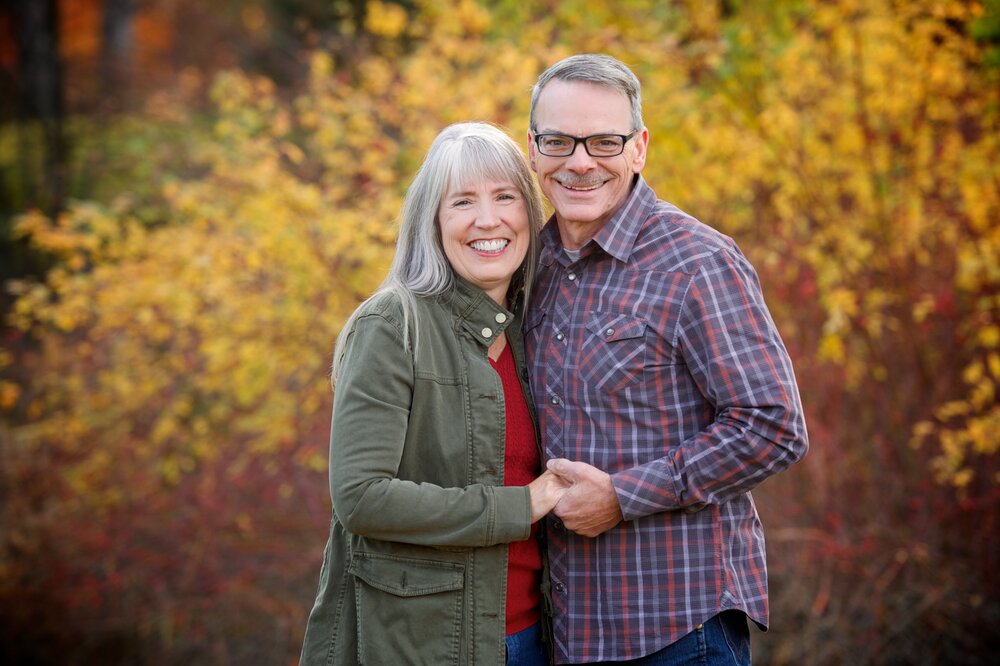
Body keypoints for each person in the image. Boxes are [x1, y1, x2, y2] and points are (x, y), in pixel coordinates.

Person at [523, 54, 809, 665]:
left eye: (604, 141)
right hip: (568, 632)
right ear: (533, 148)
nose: (580, 161)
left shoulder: (697, 261)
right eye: (558, 141)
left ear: (639, 148)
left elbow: (773, 426)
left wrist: (624, 496)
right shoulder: (530, 269)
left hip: (679, 631)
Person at [299, 122, 567, 666]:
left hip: (536, 639)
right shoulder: (392, 324)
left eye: (505, 197)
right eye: (462, 201)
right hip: (421, 645)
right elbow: (362, 496)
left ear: (529, 215)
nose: (487, 220)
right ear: (433, 222)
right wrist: (522, 506)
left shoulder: (535, 328)